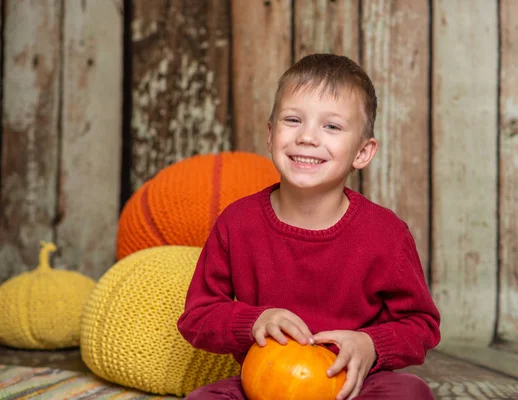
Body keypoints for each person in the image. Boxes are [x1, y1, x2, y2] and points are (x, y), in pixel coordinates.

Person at [177, 53, 441, 400]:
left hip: (352, 385)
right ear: (271, 135)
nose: (307, 137)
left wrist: (371, 344)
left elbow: (421, 325)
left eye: (331, 126)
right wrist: (254, 320)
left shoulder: (386, 234)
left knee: (409, 393)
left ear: (362, 152)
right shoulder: (237, 223)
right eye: (293, 119)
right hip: (265, 383)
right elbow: (198, 317)